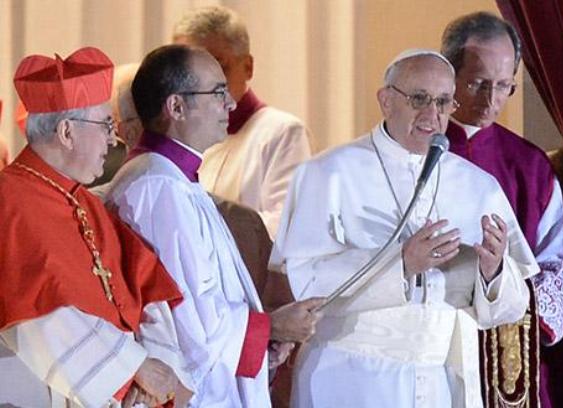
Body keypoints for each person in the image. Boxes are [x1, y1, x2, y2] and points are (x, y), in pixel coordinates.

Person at [270, 48, 539, 408]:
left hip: (440, 381)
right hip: (349, 379)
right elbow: (308, 284)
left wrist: (494, 273)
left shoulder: (479, 185)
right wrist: (402, 264)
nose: (432, 114)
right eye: (419, 99)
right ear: (385, 100)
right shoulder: (327, 173)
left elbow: (510, 310)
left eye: (444, 102)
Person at [103, 44, 323, 407]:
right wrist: (271, 327)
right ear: (175, 106)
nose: (231, 104)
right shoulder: (159, 188)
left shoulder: (175, 180)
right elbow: (188, 319)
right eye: (218, 93)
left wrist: (263, 343)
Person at [0, 47, 191, 407]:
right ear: (67, 132)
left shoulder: (87, 203)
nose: (114, 139)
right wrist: (131, 369)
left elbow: (146, 286)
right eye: (105, 125)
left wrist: (156, 368)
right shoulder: (8, 200)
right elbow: (33, 311)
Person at [441, 12, 563, 407]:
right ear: (449, 74)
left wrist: (503, 277)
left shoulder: (530, 166)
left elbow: (558, 267)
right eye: (478, 83)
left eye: (503, 86)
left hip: (507, 358)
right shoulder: (411, 153)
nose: (490, 100)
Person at [173, 5, 313, 239]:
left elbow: (286, 225)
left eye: (219, 67)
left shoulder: (282, 133)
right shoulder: (177, 135)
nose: (202, 85)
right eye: (188, 72)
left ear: (247, 67)